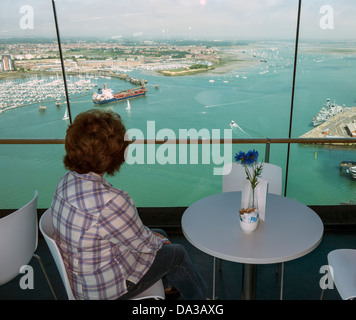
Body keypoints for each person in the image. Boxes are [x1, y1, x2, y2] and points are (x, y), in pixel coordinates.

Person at [50, 109, 207, 300]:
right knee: (176, 254)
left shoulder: (65, 181)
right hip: (105, 290)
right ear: (112, 154)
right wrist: (161, 242)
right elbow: (145, 243)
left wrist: (157, 238)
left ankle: (168, 285)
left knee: (161, 233)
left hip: (83, 276)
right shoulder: (111, 200)